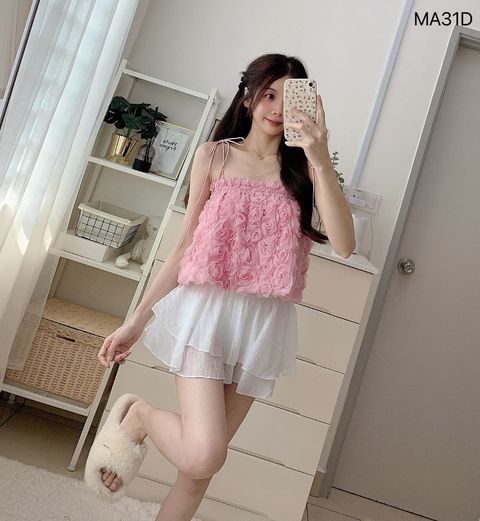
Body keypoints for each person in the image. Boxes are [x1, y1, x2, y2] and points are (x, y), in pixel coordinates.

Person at [84, 53, 355, 520]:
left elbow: (346, 246)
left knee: (197, 475)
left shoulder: (307, 171)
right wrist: (136, 322)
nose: (277, 108)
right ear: (248, 97)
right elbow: (185, 247)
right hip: (207, 314)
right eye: (268, 94)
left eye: (288, 99)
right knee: (203, 455)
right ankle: (141, 415)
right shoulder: (215, 156)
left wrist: (319, 154)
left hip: (262, 325)